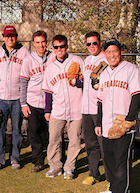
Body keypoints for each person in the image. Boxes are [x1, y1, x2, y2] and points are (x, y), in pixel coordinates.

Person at [95, 39, 140, 193]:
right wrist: (98, 123)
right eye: (108, 52)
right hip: (107, 124)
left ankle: (123, 191)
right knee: (109, 160)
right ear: (104, 54)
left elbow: (137, 95)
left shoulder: (131, 69)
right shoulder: (104, 73)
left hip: (124, 124)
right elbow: (100, 100)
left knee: (122, 161)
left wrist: (129, 119)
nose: (112, 55)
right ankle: (113, 188)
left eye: (115, 51)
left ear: (121, 51)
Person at [42, 35, 84, 180]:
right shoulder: (50, 66)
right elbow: (47, 90)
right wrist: (47, 110)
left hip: (76, 107)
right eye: (56, 47)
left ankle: (69, 168)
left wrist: (77, 82)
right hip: (57, 109)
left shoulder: (77, 60)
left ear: (66, 46)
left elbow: (86, 81)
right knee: (54, 139)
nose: (59, 49)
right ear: (53, 49)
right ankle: (55, 167)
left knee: (75, 140)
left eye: (62, 46)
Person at [0, 25, 30, 170]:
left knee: (17, 130)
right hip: (1, 98)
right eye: (7, 36)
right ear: (3, 37)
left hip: (17, 98)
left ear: (16, 36)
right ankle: (0, 159)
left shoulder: (24, 52)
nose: (10, 38)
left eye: (12, 36)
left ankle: (15, 158)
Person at [20, 30, 53, 173]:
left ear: (47, 42)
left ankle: (55, 160)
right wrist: (23, 103)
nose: (41, 45)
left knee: (52, 133)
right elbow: (23, 82)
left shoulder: (53, 57)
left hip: (51, 102)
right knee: (34, 133)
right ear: (33, 43)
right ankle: (38, 161)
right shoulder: (28, 59)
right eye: (37, 42)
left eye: (43, 42)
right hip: (33, 101)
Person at [81, 31, 108, 185]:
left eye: (94, 43)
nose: (91, 46)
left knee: (104, 144)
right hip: (86, 109)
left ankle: (111, 174)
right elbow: (85, 83)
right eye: (88, 44)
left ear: (100, 43)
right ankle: (94, 174)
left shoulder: (105, 59)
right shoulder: (86, 61)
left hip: (100, 108)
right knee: (90, 144)